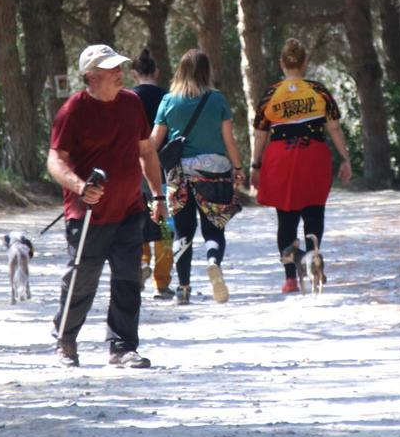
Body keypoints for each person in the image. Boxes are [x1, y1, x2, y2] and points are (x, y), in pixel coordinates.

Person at [46, 43, 167, 368]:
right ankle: (66, 342)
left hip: (129, 210)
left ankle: (122, 347)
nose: (119, 72)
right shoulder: (73, 111)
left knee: (128, 279)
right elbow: (55, 161)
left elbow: (147, 152)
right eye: (110, 68)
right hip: (87, 215)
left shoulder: (131, 104)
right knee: (83, 279)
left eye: (119, 66)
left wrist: (158, 196)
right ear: (90, 76)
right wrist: (79, 187)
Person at [250, 38, 352, 294]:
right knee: (314, 212)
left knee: (286, 218)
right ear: (305, 62)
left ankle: (291, 279)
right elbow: (334, 127)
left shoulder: (271, 95)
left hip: (280, 157)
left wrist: (255, 165)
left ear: (281, 63)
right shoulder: (319, 91)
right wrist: (345, 158)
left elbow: (261, 135)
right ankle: (313, 255)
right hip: (314, 154)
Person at [149, 49, 245, 305]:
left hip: (179, 174)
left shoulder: (169, 101)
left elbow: (154, 142)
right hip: (214, 171)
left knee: (183, 232)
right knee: (214, 227)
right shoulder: (217, 100)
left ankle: (182, 288)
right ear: (207, 71)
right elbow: (229, 140)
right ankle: (213, 262)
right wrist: (238, 168)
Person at [131, 50, 175, 300]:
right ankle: (162, 281)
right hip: (164, 168)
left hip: (134, 168)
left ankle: (141, 262)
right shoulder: (167, 98)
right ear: (156, 72)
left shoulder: (127, 98)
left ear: (134, 74)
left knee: (137, 219)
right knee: (165, 225)